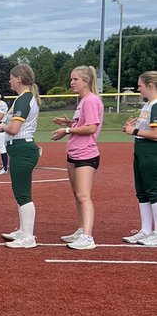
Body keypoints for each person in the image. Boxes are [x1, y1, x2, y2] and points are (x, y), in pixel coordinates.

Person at [52, 65, 104, 251]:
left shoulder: (90, 100)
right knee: (78, 195)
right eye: (71, 79)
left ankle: (88, 237)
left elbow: (91, 128)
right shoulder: (83, 101)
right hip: (75, 153)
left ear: (86, 81)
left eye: (75, 79)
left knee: (83, 195)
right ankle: (82, 230)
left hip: (86, 154)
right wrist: (70, 123)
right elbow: (84, 124)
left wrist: (66, 129)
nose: (71, 82)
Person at [0, 64, 41, 248]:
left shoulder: (24, 98)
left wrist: (2, 127)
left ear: (19, 79)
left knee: (23, 194)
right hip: (19, 148)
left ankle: (28, 236)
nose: (9, 80)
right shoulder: (23, 98)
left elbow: (14, 129)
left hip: (22, 147)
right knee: (20, 192)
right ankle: (24, 230)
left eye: (11, 77)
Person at [122, 70, 157, 247]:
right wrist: (132, 127)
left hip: (151, 150)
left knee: (153, 190)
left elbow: (156, 134)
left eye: (140, 85)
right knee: (142, 191)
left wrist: (134, 130)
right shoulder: (148, 105)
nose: (138, 89)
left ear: (150, 85)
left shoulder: (156, 105)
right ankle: (146, 230)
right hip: (141, 148)